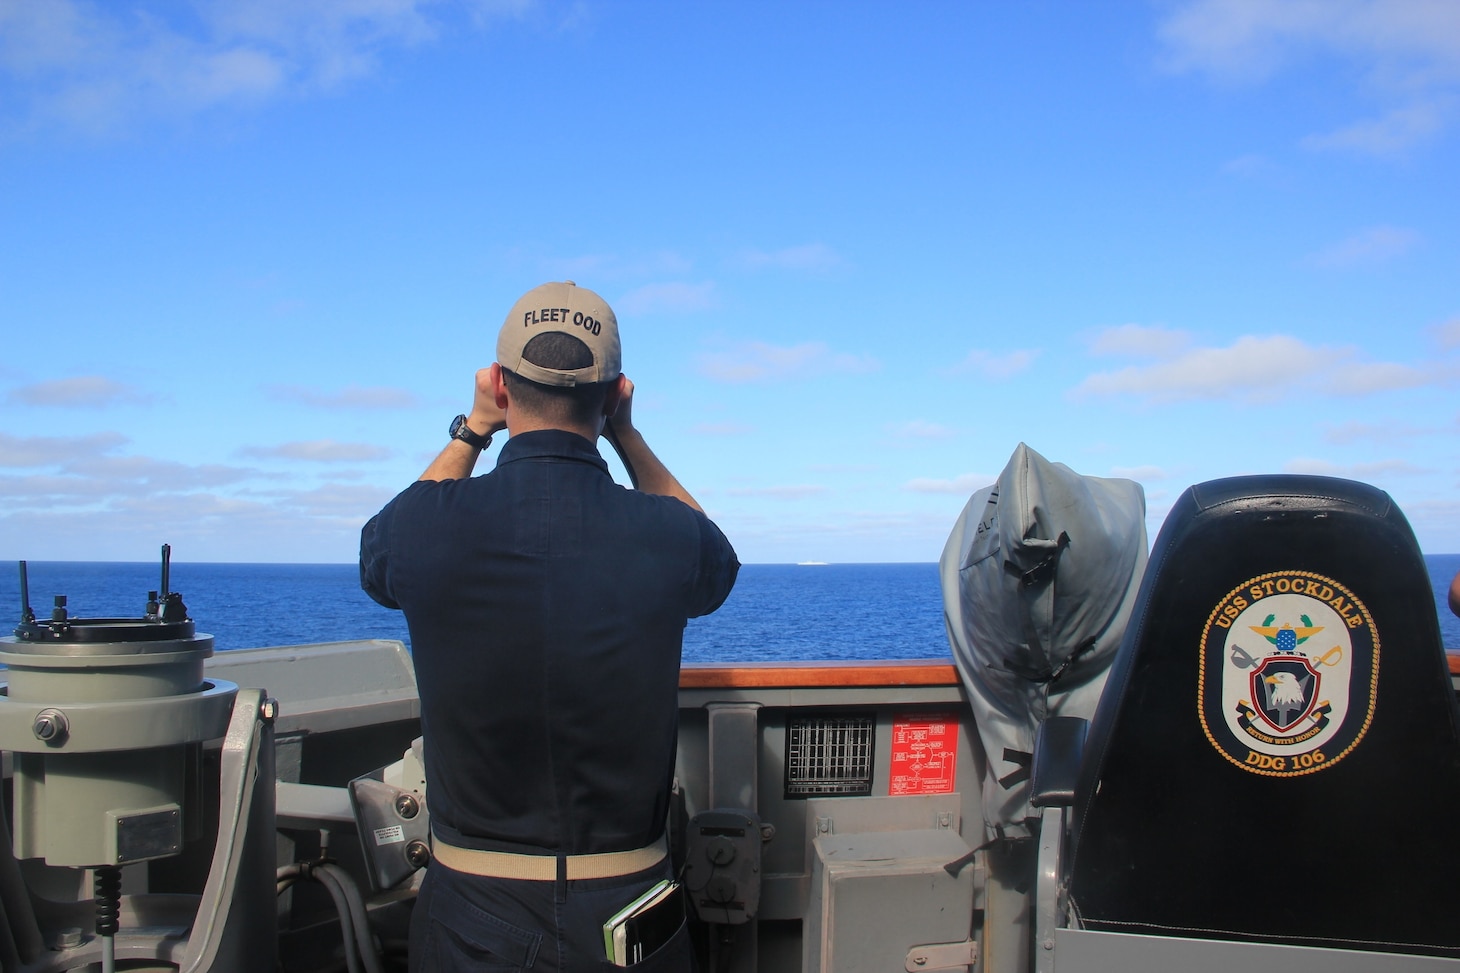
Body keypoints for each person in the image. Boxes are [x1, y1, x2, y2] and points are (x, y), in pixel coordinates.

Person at [360, 281, 739, 971]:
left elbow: (377, 560)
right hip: (633, 910)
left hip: (474, 912)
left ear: (500, 386)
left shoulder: (425, 528)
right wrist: (626, 431)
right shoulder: (666, 536)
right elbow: (716, 562)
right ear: (615, 391)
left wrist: (472, 428)